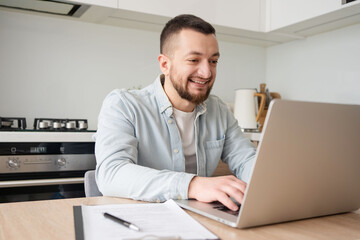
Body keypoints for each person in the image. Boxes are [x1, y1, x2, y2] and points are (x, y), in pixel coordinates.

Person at [94, 14, 256, 211]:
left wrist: (270, 180)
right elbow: (112, 174)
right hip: (142, 220)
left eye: (213, 61)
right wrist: (193, 185)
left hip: (202, 218)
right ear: (165, 64)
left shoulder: (219, 110)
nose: (206, 73)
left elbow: (246, 159)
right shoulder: (123, 105)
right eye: (194, 60)